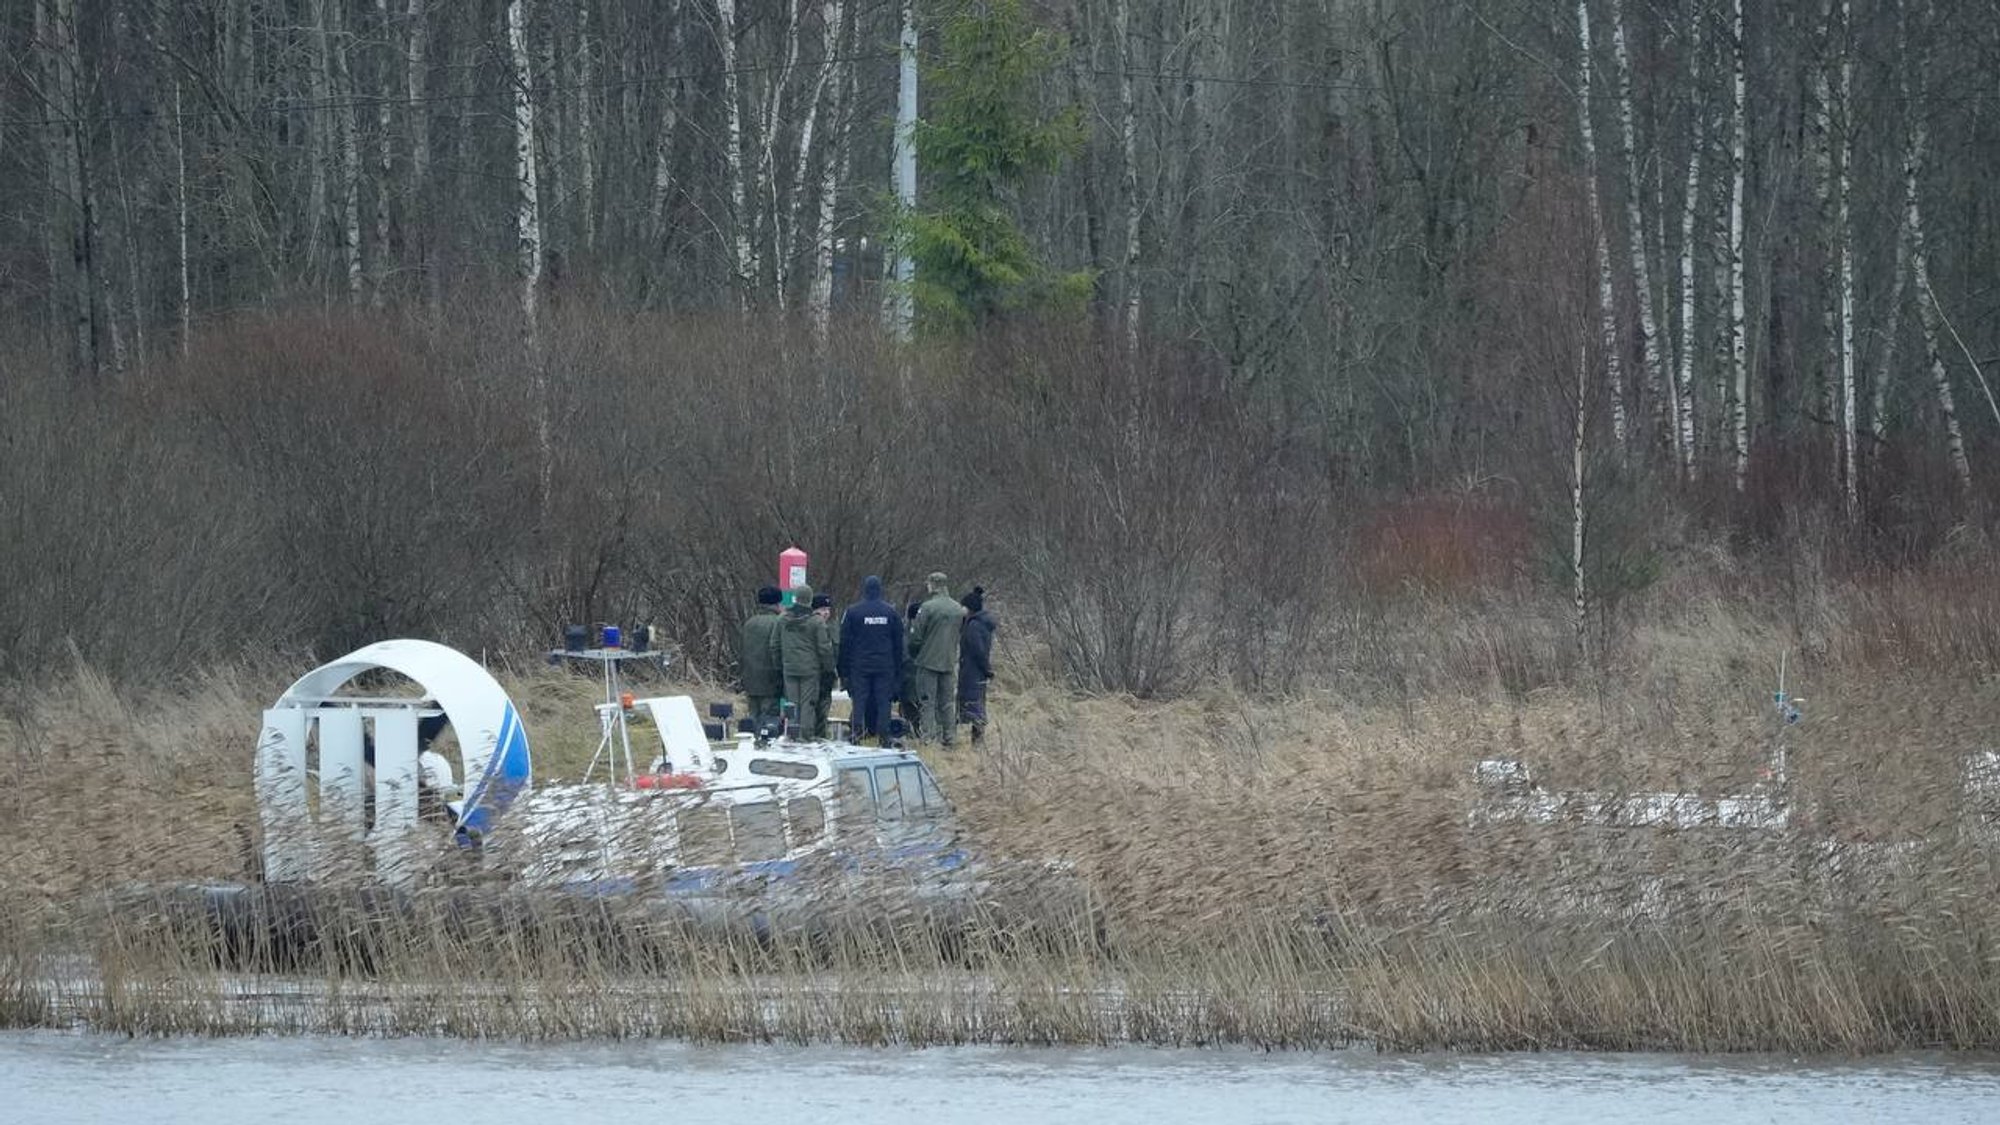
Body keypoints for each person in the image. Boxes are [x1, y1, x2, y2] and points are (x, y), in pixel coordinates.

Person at [838, 576, 905, 746]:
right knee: (884, 701)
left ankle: (856, 733)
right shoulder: (890, 612)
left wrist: (843, 671)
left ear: (864, 590)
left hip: (860, 665)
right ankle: (884, 736)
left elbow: (845, 643)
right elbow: (898, 644)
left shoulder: (853, 612)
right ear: (880, 590)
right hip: (885, 665)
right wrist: (898, 671)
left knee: (859, 700)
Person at [908, 572, 968, 746]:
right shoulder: (958, 608)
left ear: (933, 585)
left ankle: (928, 738)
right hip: (949, 661)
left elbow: (916, 637)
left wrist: (915, 653)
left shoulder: (927, 607)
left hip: (927, 662)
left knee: (927, 701)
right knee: (947, 702)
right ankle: (949, 737)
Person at [780, 583, 834, 737]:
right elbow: (825, 649)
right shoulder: (816, 622)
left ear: (795, 598)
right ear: (810, 600)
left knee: (792, 705)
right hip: (810, 670)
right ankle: (805, 737)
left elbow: (774, 645)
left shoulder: (783, 619)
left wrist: (781, 663)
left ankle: (790, 735)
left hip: (789, 668)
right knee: (807, 705)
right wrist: (829, 669)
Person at [739, 586, 786, 730]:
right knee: (769, 724)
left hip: (751, 681)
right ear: (778, 604)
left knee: (753, 720)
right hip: (771, 681)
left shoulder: (749, 623)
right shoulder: (778, 623)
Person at [956, 586, 996, 742]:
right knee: (976, 703)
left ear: (970, 608)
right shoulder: (980, 623)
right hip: (977, 670)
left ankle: (978, 742)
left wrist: (986, 669)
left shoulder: (973, 626)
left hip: (972, 671)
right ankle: (977, 741)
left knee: (974, 706)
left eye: (963, 607)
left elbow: (978, 651)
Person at [812, 592, 838, 739]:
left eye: (827, 609)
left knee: (823, 711)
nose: (826, 613)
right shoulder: (815, 626)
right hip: (817, 674)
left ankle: (820, 737)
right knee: (815, 711)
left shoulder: (831, 627)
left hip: (826, 677)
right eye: (822, 609)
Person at [898, 600, 925, 740]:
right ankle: (913, 731)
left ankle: (911, 730)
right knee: (913, 704)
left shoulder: (904, 629)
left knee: (909, 703)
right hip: (912, 671)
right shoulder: (914, 631)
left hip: (908, 673)